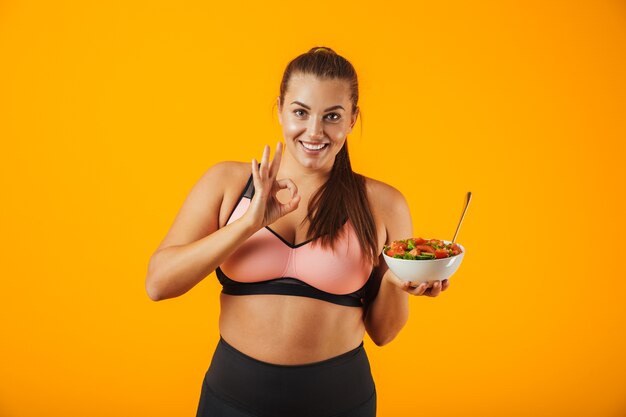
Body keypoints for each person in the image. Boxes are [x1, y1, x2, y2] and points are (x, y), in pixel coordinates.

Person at [145, 46, 450, 417]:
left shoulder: (383, 204)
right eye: (300, 112)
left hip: (341, 404)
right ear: (279, 109)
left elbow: (383, 334)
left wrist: (394, 284)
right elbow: (158, 284)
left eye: (332, 116)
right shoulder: (227, 183)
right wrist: (247, 225)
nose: (314, 131)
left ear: (353, 119)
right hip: (231, 401)